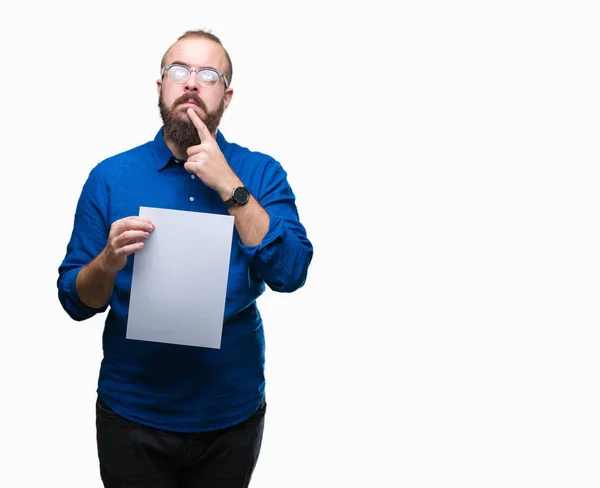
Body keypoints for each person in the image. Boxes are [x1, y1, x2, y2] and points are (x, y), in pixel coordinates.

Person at [57, 29, 313, 488]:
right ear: (161, 87)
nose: (191, 82)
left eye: (208, 74)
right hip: (131, 414)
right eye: (179, 71)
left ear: (227, 96)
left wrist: (230, 186)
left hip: (230, 415)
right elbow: (75, 301)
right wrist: (108, 261)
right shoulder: (111, 177)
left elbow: (291, 273)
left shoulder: (260, 173)